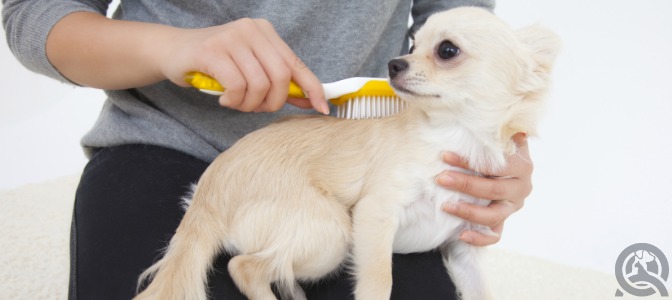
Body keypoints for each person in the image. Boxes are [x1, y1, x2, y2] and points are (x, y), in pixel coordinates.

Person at [3, 0, 534, 299]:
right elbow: (34, 12)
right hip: (164, 139)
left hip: (360, 158)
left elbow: (462, 28)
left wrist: (499, 144)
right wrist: (170, 48)